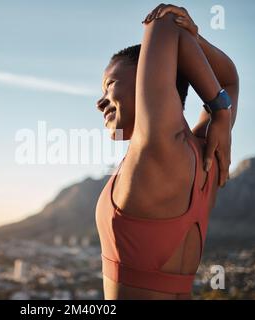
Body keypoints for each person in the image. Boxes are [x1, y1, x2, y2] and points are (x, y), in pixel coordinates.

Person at [95, 4, 239, 299]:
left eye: (109, 85)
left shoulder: (156, 146)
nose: (100, 101)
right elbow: (229, 81)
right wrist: (220, 111)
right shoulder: (207, 154)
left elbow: (165, 22)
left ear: (148, 77)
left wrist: (220, 113)